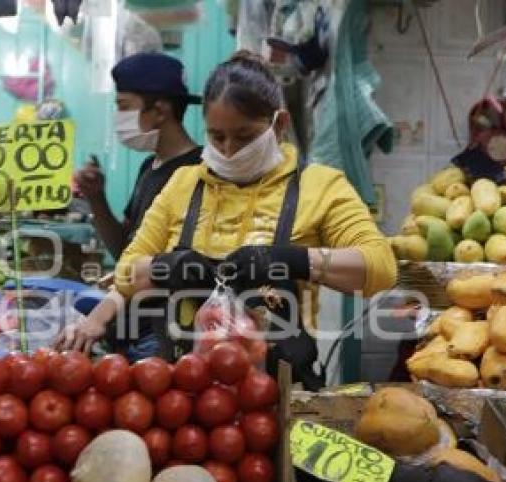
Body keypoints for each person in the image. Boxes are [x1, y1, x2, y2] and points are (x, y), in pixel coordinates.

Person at [112, 51, 396, 388]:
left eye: (245, 136)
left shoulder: (320, 186)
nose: (229, 150)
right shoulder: (184, 184)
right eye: (217, 136)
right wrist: (169, 266)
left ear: (280, 125)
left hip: (275, 393)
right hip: (186, 393)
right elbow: (125, 272)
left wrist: (294, 260)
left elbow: (380, 268)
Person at [55, 52, 203, 357]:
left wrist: (103, 313)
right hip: (128, 326)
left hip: (164, 336)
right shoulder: (149, 167)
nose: (118, 117)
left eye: (123, 106)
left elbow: (169, 269)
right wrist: (96, 198)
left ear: (160, 110)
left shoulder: (197, 173)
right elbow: (126, 250)